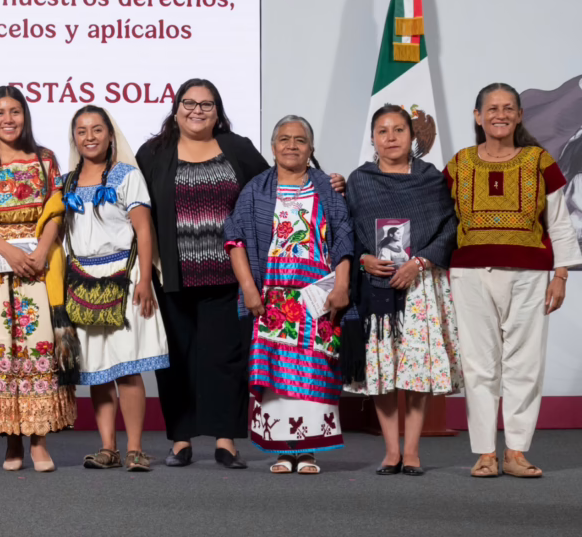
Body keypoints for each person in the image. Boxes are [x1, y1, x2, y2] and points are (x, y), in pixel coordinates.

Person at [444, 83, 582, 478]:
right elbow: (436, 215)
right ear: (478, 116)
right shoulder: (459, 164)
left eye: (508, 108)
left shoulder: (540, 161)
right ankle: (486, 453)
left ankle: (516, 452)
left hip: (530, 275)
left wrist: (561, 274)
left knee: (525, 363)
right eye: (492, 108)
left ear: (520, 115)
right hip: (470, 275)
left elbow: (559, 223)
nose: (500, 115)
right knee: (478, 365)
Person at [133, 78, 268, 469]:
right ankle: (181, 440)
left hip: (229, 277)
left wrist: (325, 180)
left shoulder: (237, 148)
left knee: (225, 360)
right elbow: (134, 206)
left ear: (217, 111)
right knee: (176, 361)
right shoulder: (153, 152)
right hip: (172, 278)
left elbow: (272, 185)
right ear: (176, 109)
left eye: (206, 104)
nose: (197, 111)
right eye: (189, 103)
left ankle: (225, 440)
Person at [0, 85, 80, 473]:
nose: (8, 119)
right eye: (0, 113)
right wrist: (8, 251)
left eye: (15, 112)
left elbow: (55, 209)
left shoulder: (45, 159)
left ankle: (39, 441)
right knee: (0, 351)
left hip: (39, 270)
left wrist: (41, 251)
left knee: (40, 349)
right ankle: (12, 441)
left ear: (25, 116)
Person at [225, 115, 353, 475]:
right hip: (272, 298)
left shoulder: (327, 188)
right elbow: (235, 239)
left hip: (317, 297)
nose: (292, 145)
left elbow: (344, 238)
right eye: (284, 139)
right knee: (277, 374)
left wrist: (342, 286)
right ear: (272, 147)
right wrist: (249, 290)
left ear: (311, 148)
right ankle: (282, 450)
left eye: (300, 140)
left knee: (314, 371)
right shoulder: (256, 190)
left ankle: (308, 452)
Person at [344, 104, 461, 476]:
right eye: (382, 131)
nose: (391, 137)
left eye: (398, 130)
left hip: (419, 285)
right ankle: (391, 451)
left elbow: (450, 227)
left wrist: (420, 262)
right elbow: (346, 229)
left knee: (416, 367)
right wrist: (363, 259)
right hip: (375, 287)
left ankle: (412, 451)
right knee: (382, 368)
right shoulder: (359, 180)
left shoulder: (431, 178)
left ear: (412, 137)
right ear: (373, 138)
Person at [60, 106, 169, 472]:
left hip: (124, 275)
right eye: (81, 130)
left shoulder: (126, 176)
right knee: (97, 368)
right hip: (83, 280)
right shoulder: (66, 183)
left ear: (109, 135)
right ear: (74, 138)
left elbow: (143, 229)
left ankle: (135, 448)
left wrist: (145, 280)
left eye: (97, 129)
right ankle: (108, 447)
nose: (89, 136)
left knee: (127, 365)